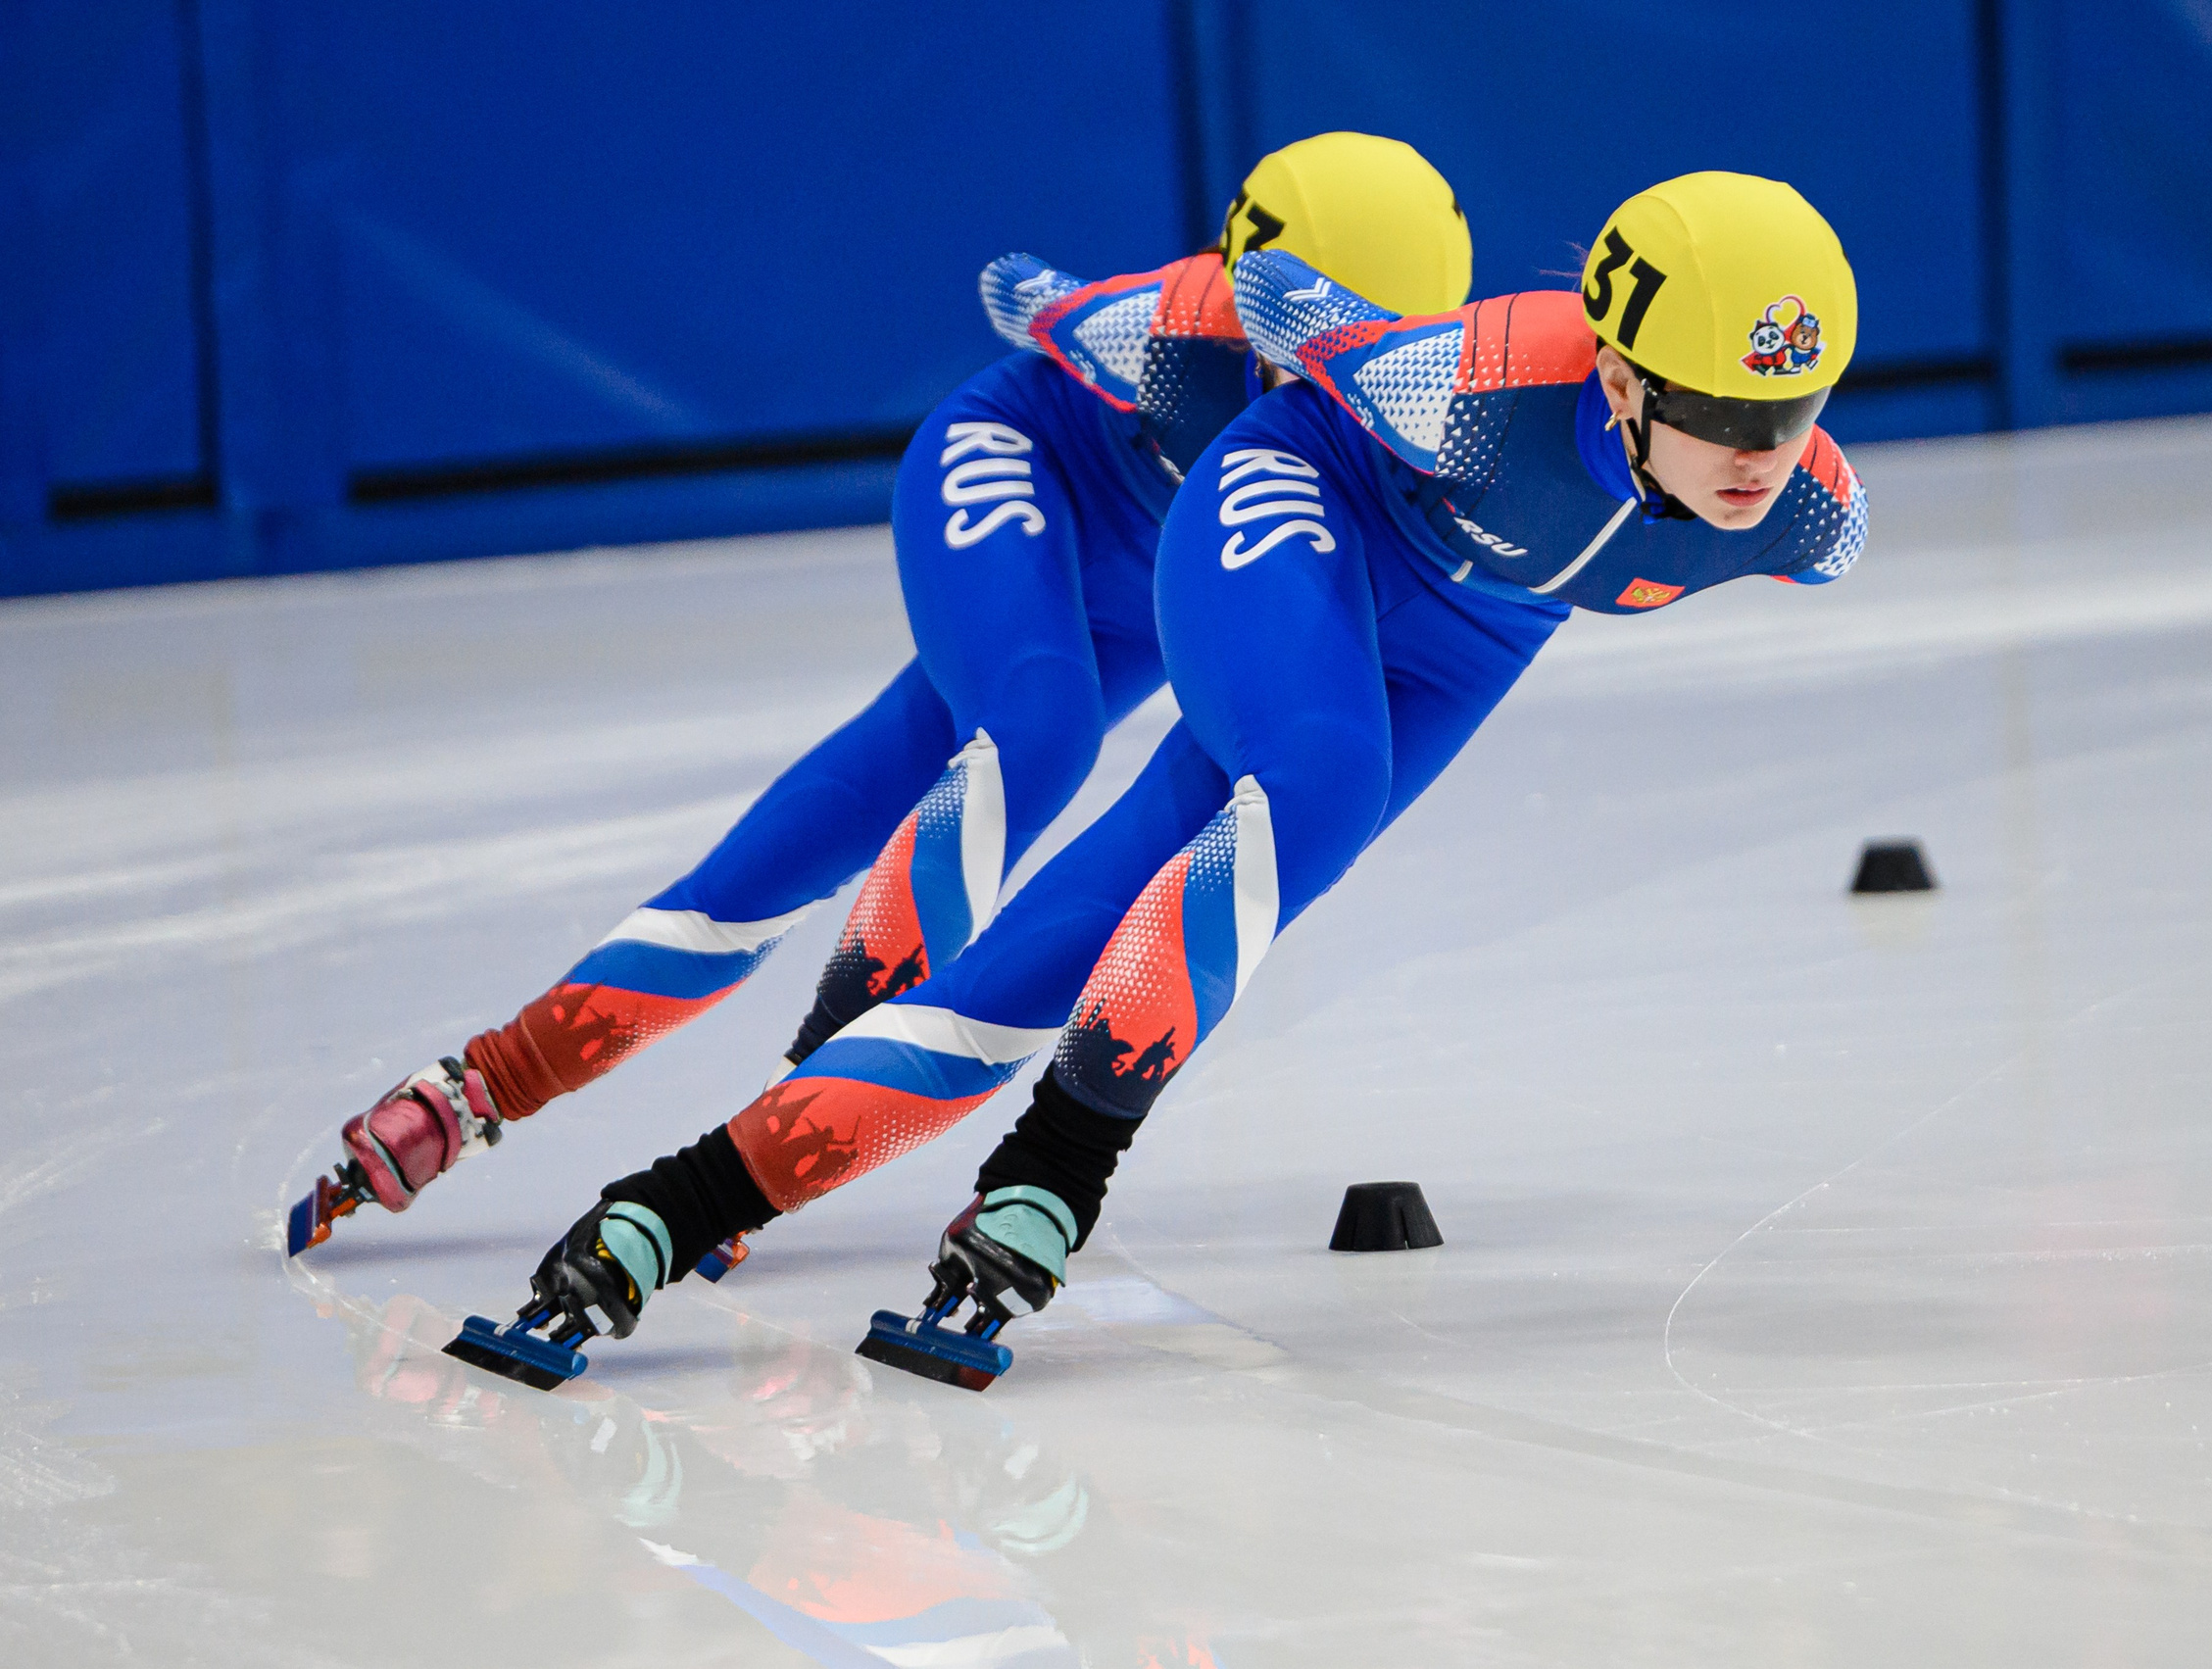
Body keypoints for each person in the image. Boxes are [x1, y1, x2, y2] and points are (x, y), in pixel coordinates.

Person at [499, 172, 1869, 1374]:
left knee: (1077, 931)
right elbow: (1286, 305)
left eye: (1790, 409)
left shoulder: (1815, 516)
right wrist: (1065, 299)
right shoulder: (1470, 384)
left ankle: (675, 1201)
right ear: (1623, 380)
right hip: (1293, 504)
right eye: (1718, 410)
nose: (1758, 453)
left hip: (1470, 636)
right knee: (1320, 779)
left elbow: (1755, 478)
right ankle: (1059, 1164)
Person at [287, 133, 1475, 1253]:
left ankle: (489, 1075)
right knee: (1039, 729)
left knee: (850, 805)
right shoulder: (1168, 331)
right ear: (1240, 290)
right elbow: (1015, 289)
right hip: (1018, 479)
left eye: (1373, 356)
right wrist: (1065, 301)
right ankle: (785, 1084)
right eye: (1302, 343)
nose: (1336, 385)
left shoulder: (1422, 390)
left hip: (1147, 592)